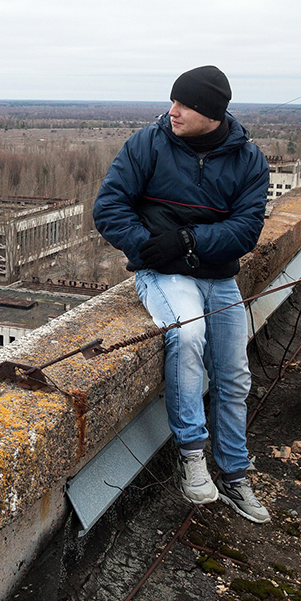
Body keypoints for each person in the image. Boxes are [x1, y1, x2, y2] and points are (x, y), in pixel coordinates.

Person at [94, 65, 271, 523]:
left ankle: (234, 472)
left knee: (234, 374)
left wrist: (188, 240)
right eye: (173, 100)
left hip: (217, 276)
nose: (172, 111)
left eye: (184, 104)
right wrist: (150, 247)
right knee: (187, 334)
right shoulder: (146, 144)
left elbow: (246, 230)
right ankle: (192, 456)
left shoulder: (248, 160)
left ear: (212, 113)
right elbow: (109, 208)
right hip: (163, 275)